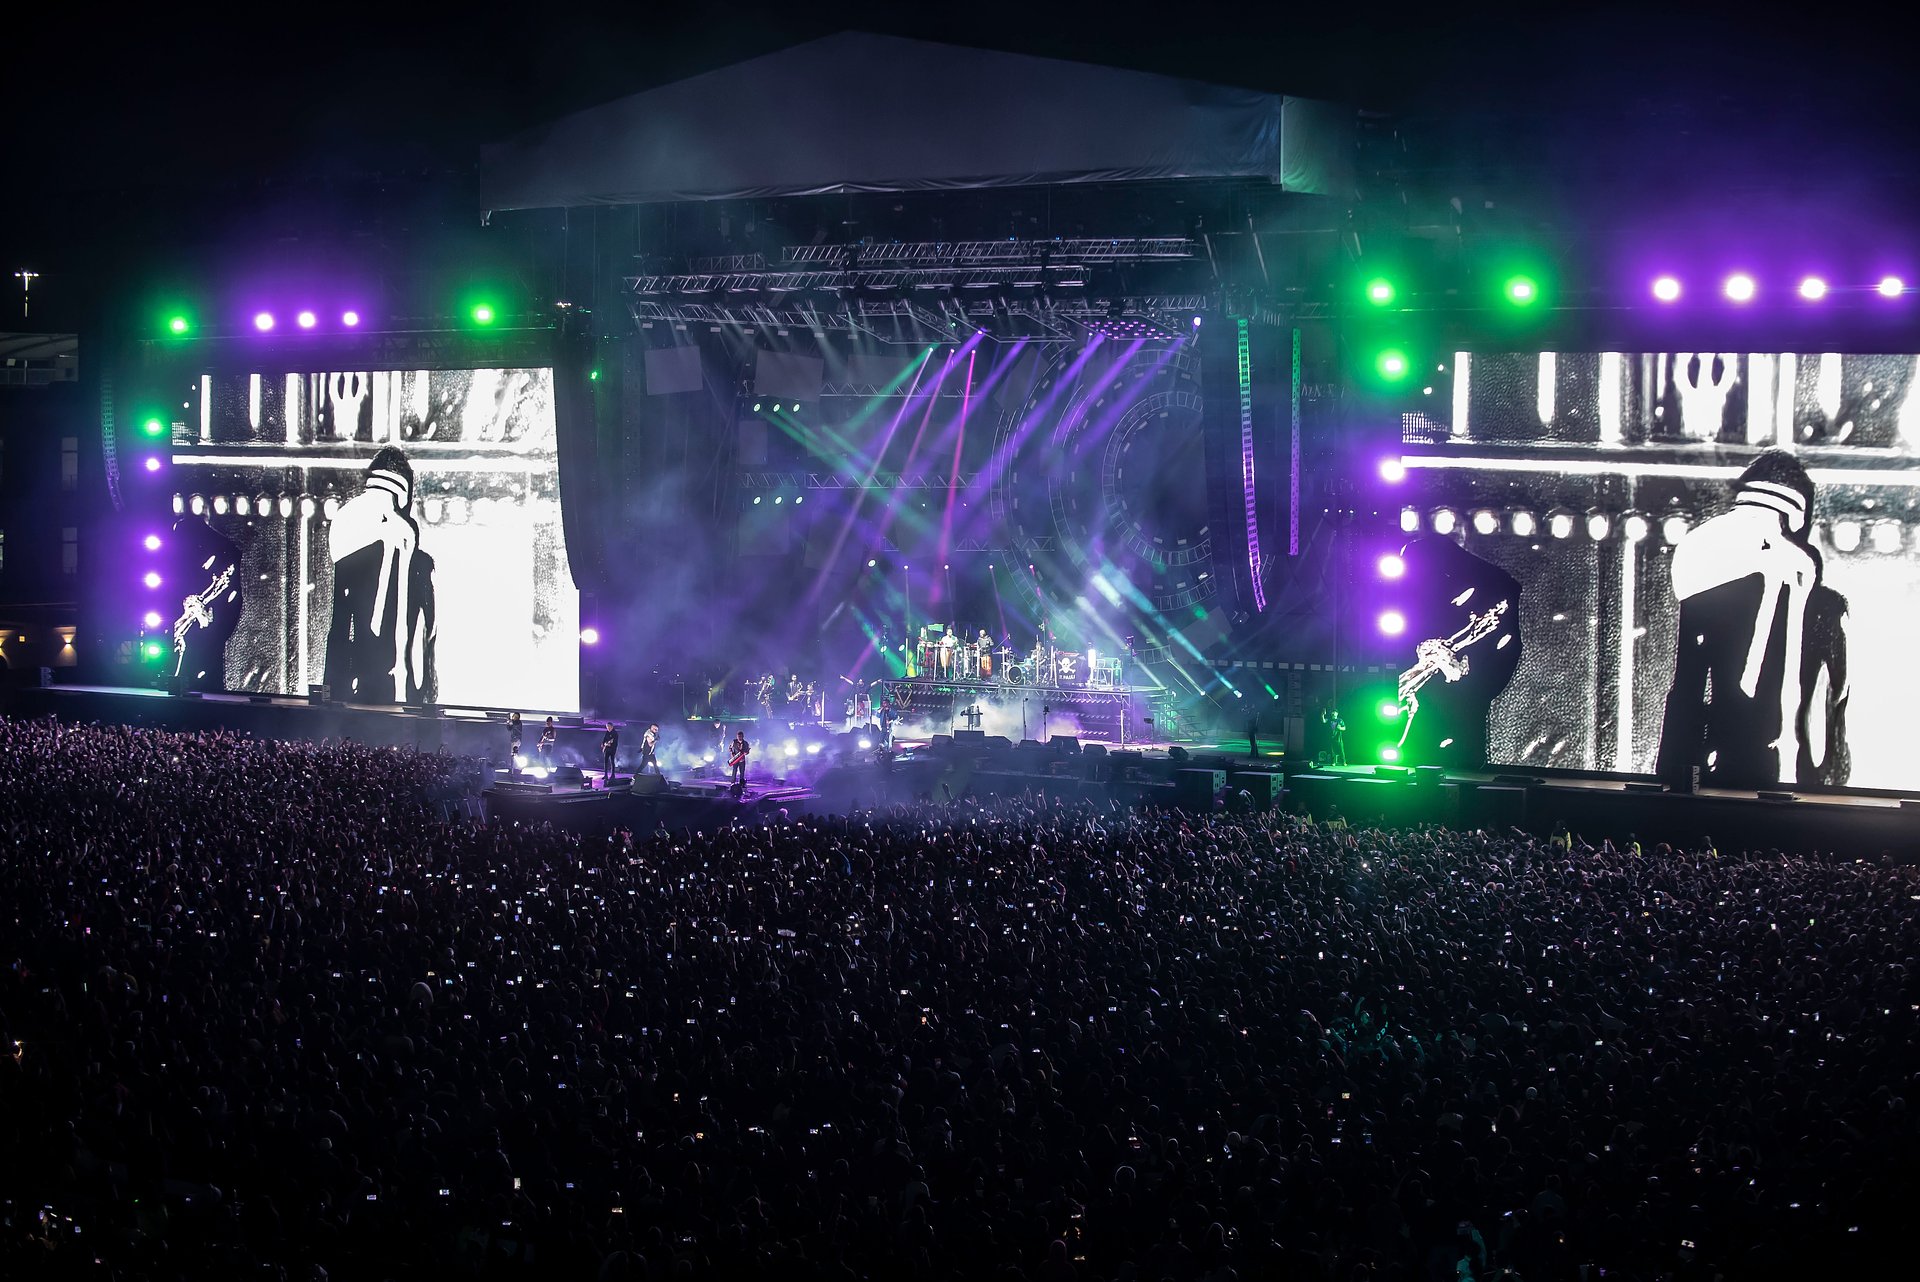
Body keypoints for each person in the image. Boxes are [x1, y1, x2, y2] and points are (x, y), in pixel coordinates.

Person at [323, 446, 437, 703]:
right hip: (368, 689)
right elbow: (341, 629)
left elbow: (425, 635)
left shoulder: (419, 565)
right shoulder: (352, 559)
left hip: (391, 691)